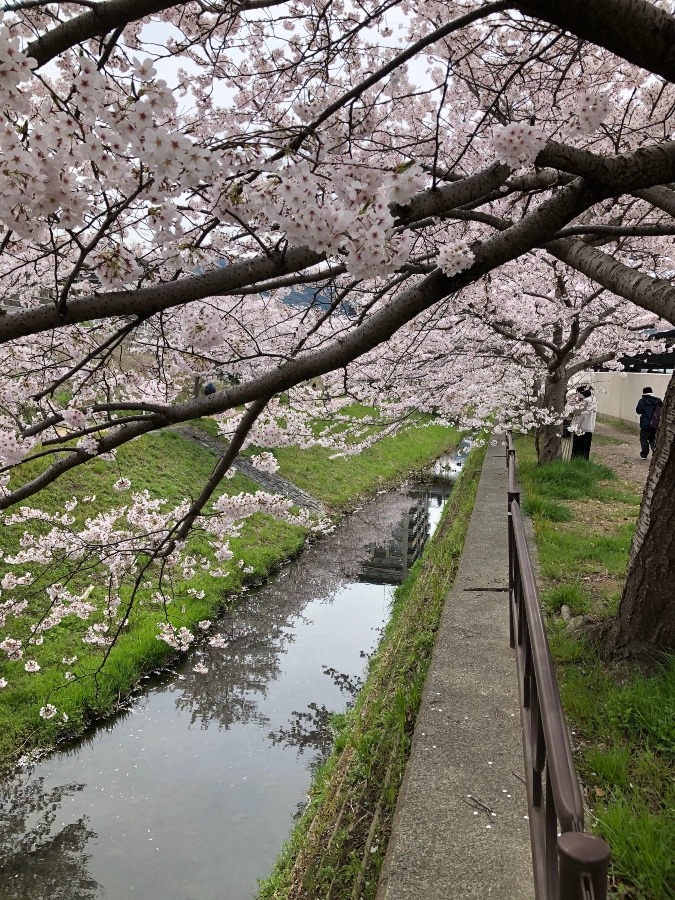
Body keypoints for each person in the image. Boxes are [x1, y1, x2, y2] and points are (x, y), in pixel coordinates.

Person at [565, 384, 597, 460]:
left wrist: (572, 403)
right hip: (587, 427)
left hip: (581, 427)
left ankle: (577, 461)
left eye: (578, 393)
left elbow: (577, 411)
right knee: (585, 447)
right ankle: (582, 461)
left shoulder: (586, 401)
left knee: (578, 447)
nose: (577, 395)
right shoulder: (592, 400)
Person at [636, 386, 662, 459]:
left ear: (644, 392)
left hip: (645, 423)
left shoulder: (642, 401)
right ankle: (656, 454)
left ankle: (644, 455)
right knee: (653, 438)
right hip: (655, 423)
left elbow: (638, 411)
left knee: (643, 438)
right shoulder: (658, 400)